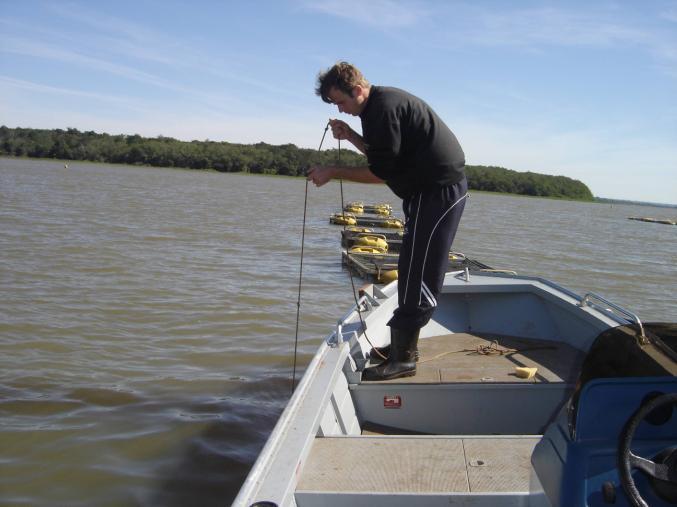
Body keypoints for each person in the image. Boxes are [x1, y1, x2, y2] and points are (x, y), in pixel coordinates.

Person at [308, 62, 468, 381]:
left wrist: (333, 171)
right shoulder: (377, 107)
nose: (340, 109)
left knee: (419, 273)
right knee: (409, 268)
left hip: (438, 193)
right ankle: (403, 349)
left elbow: (381, 174)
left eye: (340, 101)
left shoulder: (383, 108)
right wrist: (351, 135)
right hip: (425, 194)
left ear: (357, 90)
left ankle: (404, 359)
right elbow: (385, 158)